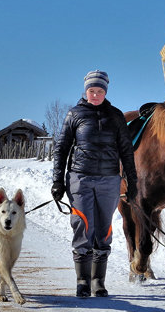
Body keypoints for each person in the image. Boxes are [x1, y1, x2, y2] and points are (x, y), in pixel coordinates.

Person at [51, 70, 138, 298]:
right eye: (92, 91)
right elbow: (61, 149)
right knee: (83, 225)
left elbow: (126, 151)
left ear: (105, 92)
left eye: (100, 91)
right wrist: (57, 180)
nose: (96, 95)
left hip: (109, 180)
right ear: (86, 91)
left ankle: (98, 281)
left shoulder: (116, 116)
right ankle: (82, 281)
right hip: (80, 179)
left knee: (103, 228)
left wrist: (133, 181)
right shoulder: (75, 114)